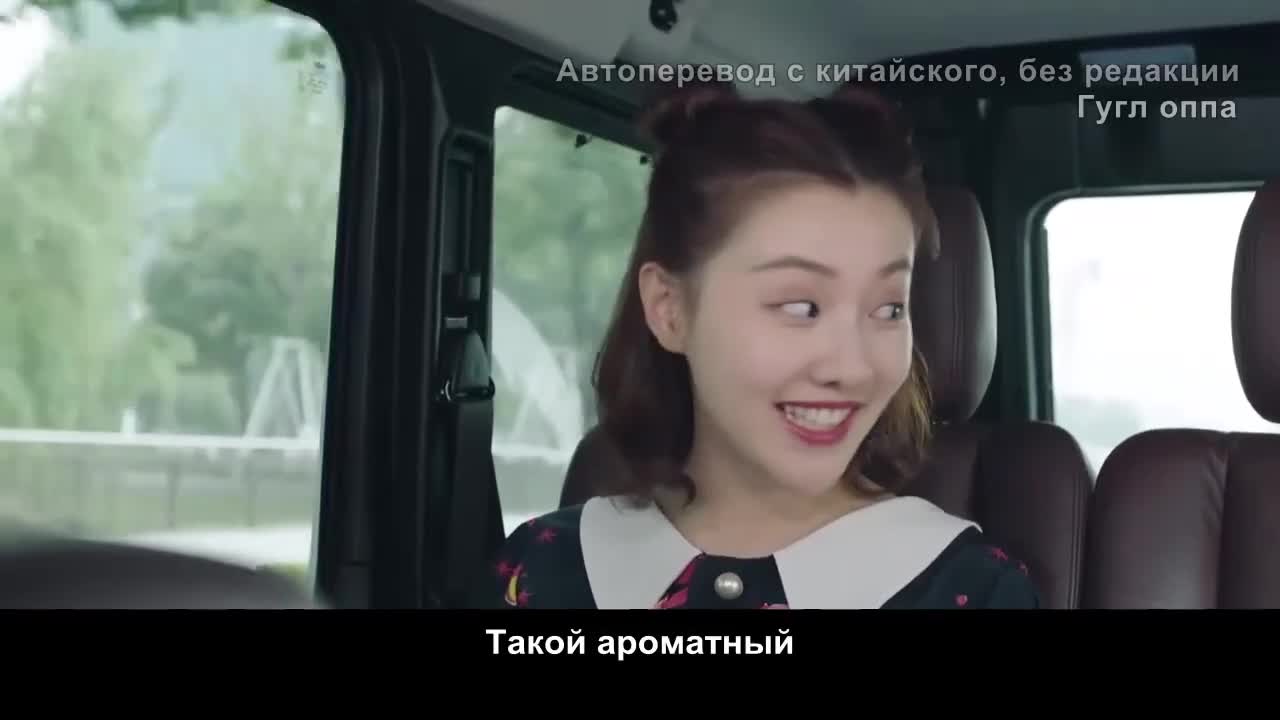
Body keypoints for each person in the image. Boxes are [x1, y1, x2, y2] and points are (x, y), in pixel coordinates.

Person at [485, 80, 1040, 609]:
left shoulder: (976, 591)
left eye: (888, 309)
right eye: (801, 307)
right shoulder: (539, 569)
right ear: (669, 309)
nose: (852, 367)